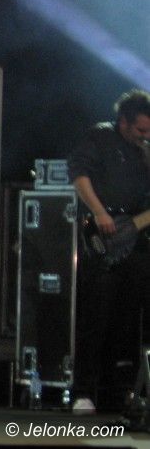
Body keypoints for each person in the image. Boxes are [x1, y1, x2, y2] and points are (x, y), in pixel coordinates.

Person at [68, 89, 150, 413]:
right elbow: (79, 175)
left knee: (128, 319)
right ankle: (83, 391)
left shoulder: (146, 152)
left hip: (135, 235)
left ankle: (120, 392)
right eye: (140, 129)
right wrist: (100, 212)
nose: (145, 135)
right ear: (123, 122)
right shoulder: (100, 137)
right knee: (95, 315)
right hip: (101, 234)